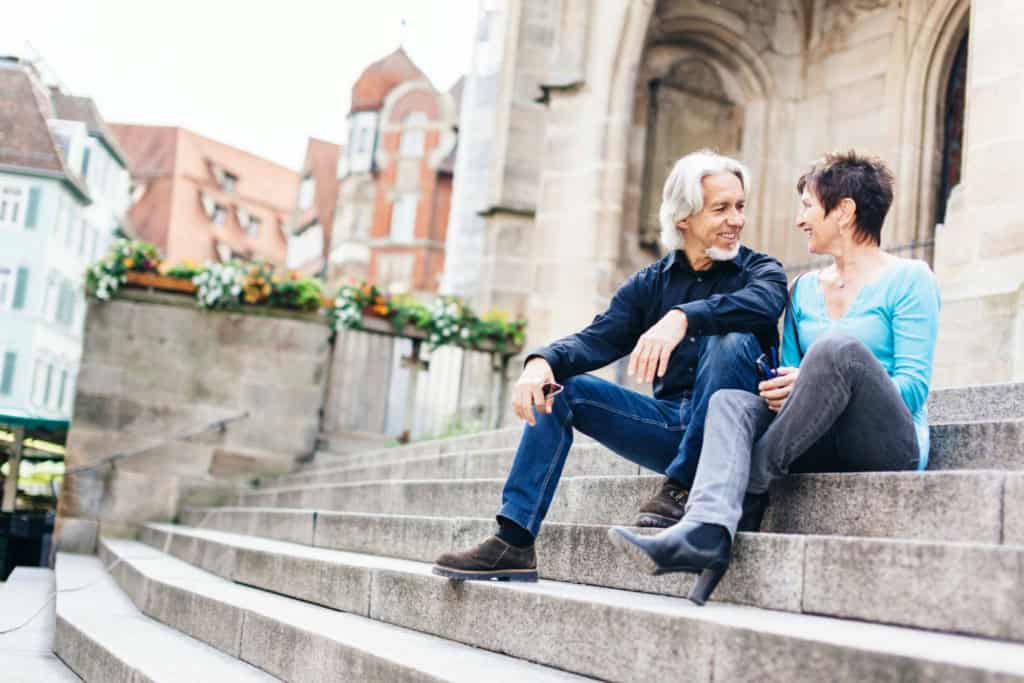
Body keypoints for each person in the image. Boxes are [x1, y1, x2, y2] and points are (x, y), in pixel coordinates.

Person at [432, 149, 788, 581]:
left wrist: (685, 316)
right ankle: (514, 540)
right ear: (684, 218)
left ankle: (682, 487)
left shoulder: (760, 270)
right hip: (671, 423)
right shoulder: (652, 283)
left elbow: (766, 303)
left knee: (730, 338)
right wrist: (541, 362)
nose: (736, 219)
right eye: (721, 209)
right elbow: (597, 338)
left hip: (734, 436)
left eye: (740, 206)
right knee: (562, 391)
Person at [608, 151, 941, 604]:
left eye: (808, 205)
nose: (800, 219)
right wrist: (789, 386)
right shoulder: (803, 289)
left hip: (886, 441)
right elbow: (787, 382)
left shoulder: (910, 279)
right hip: (814, 440)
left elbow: (913, 388)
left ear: (843, 211)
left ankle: (751, 484)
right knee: (729, 401)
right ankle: (706, 531)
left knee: (836, 350)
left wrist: (815, 378)